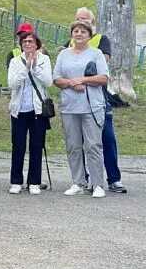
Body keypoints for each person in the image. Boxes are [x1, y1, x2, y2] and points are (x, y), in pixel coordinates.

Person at [71, 7, 126, 193]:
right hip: (76, 99)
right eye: (78, 19)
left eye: (85, 20)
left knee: (107, 138)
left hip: (98, 98)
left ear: (92, 23)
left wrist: (81, 75)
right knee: (81, 141)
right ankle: (86, 179)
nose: (81, 22)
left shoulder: (101, 40)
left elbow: (102, 63)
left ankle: (114, 178)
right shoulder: (69, 42)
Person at [53, 20, 109, 198]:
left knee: (93, 145)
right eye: (76, 31)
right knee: (73, 146)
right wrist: (70, 83)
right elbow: (56, 78)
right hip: (70, 106)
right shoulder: (63, 55)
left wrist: (83, 80)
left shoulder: (96, 53)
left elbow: (103, 78)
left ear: (89, 35)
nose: (79, 34)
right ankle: (78, 181)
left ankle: (98, 183)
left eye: (83, 32)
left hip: (91, 106)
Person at [7, 31, 53, 195]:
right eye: (24, 42)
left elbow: (48, 81)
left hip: (38, 110)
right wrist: (25, 69)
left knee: (36, 145)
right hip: (19, 110)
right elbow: (12, 84)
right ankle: (16, 181)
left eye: (30, 42)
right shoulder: (15, 61)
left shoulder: (44, 60)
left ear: (37, 45)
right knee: (18, 145)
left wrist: (35, 69)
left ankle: (34, 181)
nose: (27, 44)